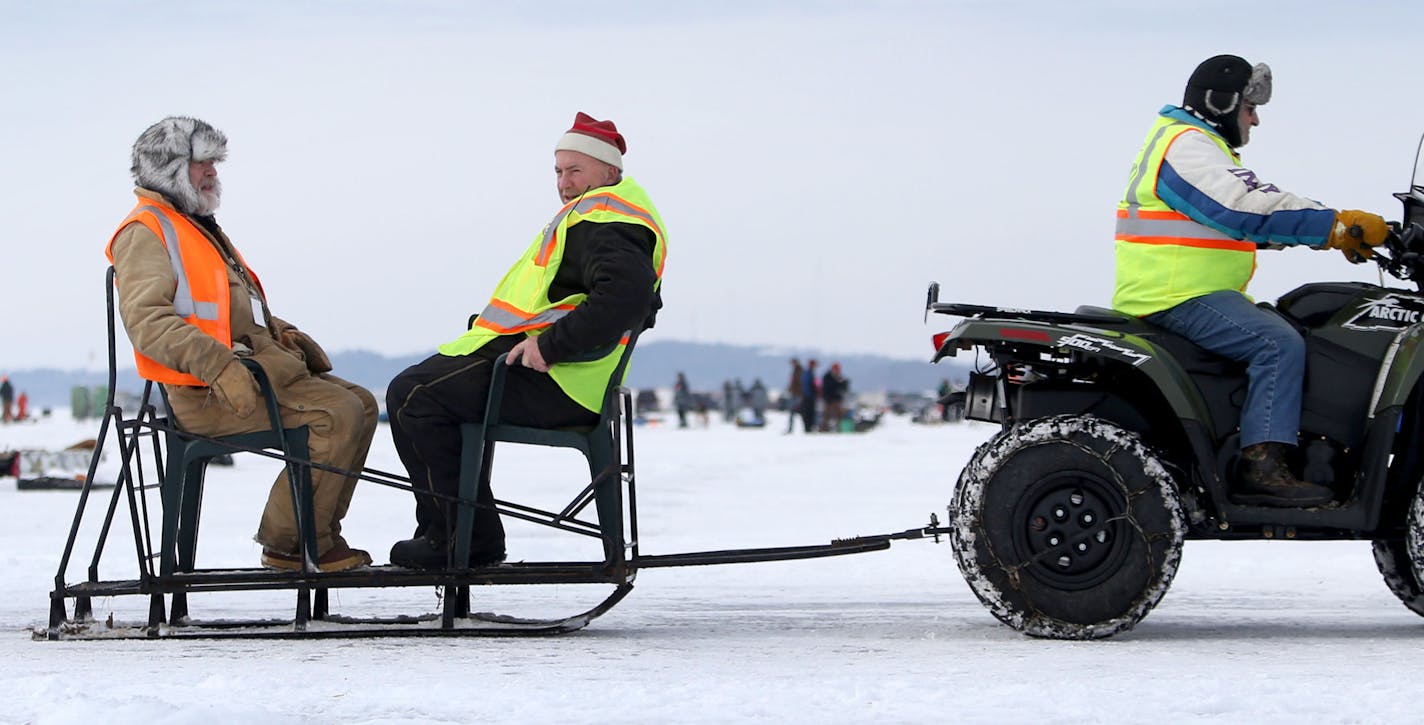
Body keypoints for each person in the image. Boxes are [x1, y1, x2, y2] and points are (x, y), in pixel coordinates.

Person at [386, 112, 667, 569]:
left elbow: (626, 297)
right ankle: (457, 531)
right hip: (555, 372)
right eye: (558, 171)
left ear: (609, 171)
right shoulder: (597, 214)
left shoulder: (607, 218)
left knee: (415, 396)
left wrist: (550, 345)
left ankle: (460, 539)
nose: (563, 181)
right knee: (418, 389)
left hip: (562, 381)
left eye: (575, 170)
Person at [1112, 56, 1389, 507]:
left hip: (1190, 293)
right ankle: (1262, 466)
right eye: (1249, 108)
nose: (1255, 119)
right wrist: (1335, 227)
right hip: (1174, 296)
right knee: (1276, 344)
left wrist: (1337, 228)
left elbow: (1257, 206)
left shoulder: (1197, 147)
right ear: (1219, 103)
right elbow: (1242, 208)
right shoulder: (1185, 145)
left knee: (1300, 322)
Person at [106, 117, 379, 571]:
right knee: (338, 413)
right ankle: (289, 545)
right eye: (202, 163)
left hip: (253, 374)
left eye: (214, 162)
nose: (212, 171)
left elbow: (233, 311)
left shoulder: (195, 226)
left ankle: (319, 535)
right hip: (205, 392)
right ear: (169, 169)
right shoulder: (146, 231)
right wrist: (217, 366)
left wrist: (283, 333)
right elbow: (148, 322)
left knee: (363, 404)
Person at [820, 363, 848, 432]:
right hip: (828, 399)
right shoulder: (827, 377)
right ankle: (824, 430)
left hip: (837, 399)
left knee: (839, 415)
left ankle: (839, 429)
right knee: (826, 415)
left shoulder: (839, 377)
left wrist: (843, 383)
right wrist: (838, 383)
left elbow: (844, 388)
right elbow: (827, 387)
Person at [799, 359, 819, 433]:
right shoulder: (808, 373)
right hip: (808, 397)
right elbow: (807, 386)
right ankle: (808, 427)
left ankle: (809, 427)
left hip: (809, 396)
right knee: (808, 413)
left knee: (810, 413)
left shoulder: (809, 373)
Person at [784, 358, 803, 434]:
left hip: (797, 394)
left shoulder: (799, 371)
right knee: (793, 412)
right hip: (795, 394)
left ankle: (806, 427)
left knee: (797, 411)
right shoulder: (796, 371)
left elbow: (798, 383)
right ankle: (791, 428)